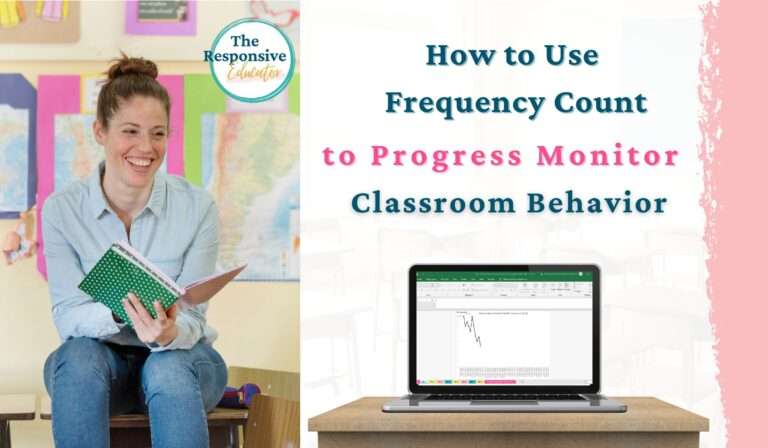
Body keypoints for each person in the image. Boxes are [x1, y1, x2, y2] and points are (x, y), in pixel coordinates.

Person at [42, 55, 227, 448]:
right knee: (76, 358)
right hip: (101, 370)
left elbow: (193, 315)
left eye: (158, 133)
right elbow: (67, 316)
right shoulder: (63, 210)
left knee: (168, 367)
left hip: (184, 362)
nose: (146, 147)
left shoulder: (197, 208)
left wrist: (170, 331)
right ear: (99, 131)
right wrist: (118, 310)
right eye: (130, 131)